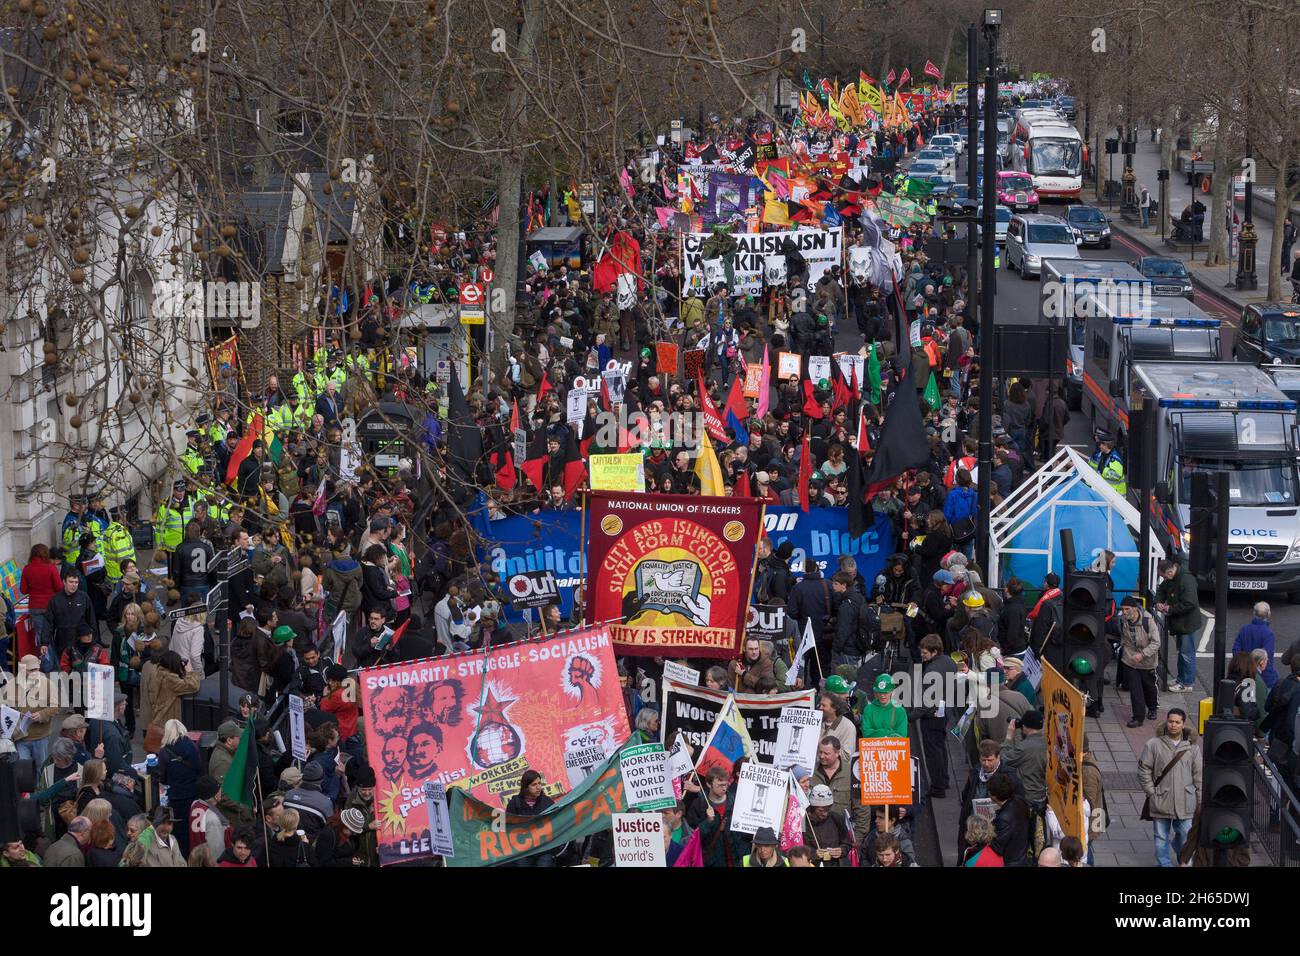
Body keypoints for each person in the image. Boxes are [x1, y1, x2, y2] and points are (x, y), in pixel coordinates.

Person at [1137, 708, 1203, 867]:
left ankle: (1184, 858)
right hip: (1161, 799)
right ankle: (1164, 864)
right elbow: (1143, 769)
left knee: (1186, 835)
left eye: (1177, 722)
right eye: (1171, 721)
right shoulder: (1153, 744)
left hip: (1186, 801)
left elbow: (1198, 775)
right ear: (1166, 722)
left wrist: (1200, 800)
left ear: (1183, 724)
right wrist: (1151, 792)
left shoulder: (1193, 747)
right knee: (1160, 838)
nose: (1173, 725)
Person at [1155, 560, 1202, 693]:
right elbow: (1162, 589)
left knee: (1187, 654)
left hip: (1187, 623)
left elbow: (1189, 603)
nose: (1164, 579)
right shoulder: (1172, 578)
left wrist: (1170, 609)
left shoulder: (1186, 580)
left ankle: (1187, 683)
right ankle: (1181, 679)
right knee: (1182, 652)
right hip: (1180, 623)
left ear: (1170, 571)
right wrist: (1158, 601)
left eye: (1164, 576)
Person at [1117, 596, 1161, 727]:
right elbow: (1124, 639)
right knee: (1136, 691)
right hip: (1130, 661)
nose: (1124, 612)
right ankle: (1138, 717)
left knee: (1150, 688)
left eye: (1127, 609)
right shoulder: (1122, 620)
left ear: (1135, 609)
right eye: (1123, 609)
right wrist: (1128, 653)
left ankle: (1152, 708)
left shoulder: (1148, 621)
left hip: (1147, 662)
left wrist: (1142, 654)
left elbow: (1156, 643)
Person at [504, 770, 557, 867]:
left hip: (544, 850)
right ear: (526, 787)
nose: (538, 787)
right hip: (523, 851)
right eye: (534, 784)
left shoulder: (547, 802)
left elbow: (556, 823)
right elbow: (508, 827)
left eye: (539, 783)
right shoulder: (514, 803)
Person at [1000, 709, 1047, 810]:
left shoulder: (1024, 747)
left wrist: (1009, 736)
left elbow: (1003, 759)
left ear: (1025, 726)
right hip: (1042, 795)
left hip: (1027, 797)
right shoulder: (1047, 742)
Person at [987, 773, 1032, 866]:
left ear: (994, 796)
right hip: (1022, 856)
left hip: (1012, 861)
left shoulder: (1004, 818)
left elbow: (997, 846)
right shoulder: (1019, 801)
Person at [1232, 602, 1278, 689]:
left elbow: (1236, 651)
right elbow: (1266, 658)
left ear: (1254, 613)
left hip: (1243, 674)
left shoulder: (1244, 629)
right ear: (1269, 614)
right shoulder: (1268, 634)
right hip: (1263, 678)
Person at [860, 673, 908, 739]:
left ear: (892, 691)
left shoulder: (900, 711)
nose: (882, 695)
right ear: (876, 692)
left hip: (894, 748)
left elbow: (902, 735)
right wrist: (889, 733)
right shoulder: (868, 709)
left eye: (885, 692)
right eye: (880, 692)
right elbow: (866, 733)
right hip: (873, 748)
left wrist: (877, 733)